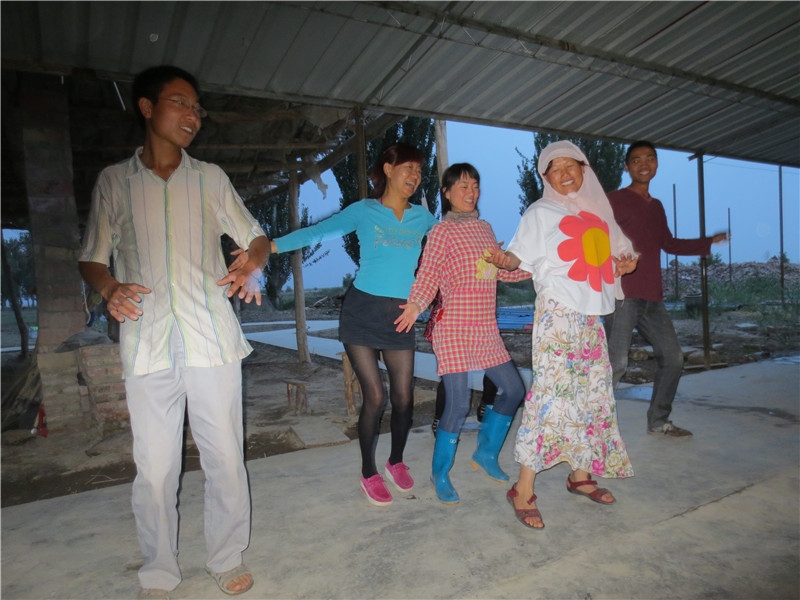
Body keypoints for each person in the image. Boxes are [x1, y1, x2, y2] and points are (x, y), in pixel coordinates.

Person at [78, 65, 269, 599]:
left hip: (212, 338)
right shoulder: (114, 182)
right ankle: (159, 570)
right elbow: (92, 256)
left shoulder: (210, 178)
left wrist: (252, 263)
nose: (192, 116)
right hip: (147, 342)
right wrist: (109, 286)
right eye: (180, 103)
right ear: (147, 107)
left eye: (197, 108)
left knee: (225, 457)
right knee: (156, 468)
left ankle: (225, 556)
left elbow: (256, 237)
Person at [270, 143, 437, 507]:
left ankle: (395, 461)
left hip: (400, 315)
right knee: (375, 396)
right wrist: (269, 247)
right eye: (407, 168)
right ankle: (368, 471)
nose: (414, 176)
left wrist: (488, 254)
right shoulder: (364, 211)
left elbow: (449, 246)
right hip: (362, 313)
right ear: (388, 169)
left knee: (404, 398)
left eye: (418, 170)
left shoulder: (423, 219)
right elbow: (317, 232)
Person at [486, 141, 638, 528]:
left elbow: (616, 259)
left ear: (584, 170)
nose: (565, 173)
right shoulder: (540, 212)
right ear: (546, 177)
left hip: (590, 319)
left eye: (571, 166)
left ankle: (580, 475)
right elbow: (519, 255)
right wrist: (505, 260)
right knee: (551, 398)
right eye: (555, 169)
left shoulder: (598, 214)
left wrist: (625, 265)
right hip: (557, 315)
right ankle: (522, 490)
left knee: (592, 395)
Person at [395, 163, 529, 504]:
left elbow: (500, 272)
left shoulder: (485, 228)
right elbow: (428, 275)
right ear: (447, 192)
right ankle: (439, 474)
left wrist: (532, 267)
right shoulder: (441, 232)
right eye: (463, 186)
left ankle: (485, 454)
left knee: (514, 389)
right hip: (453, 328)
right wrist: (415, 304)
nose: (471, 192)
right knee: (457, 405)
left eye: (475, 186)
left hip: (485, 328)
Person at [605, 141, 729, 437]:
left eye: (650, 158)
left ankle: (659, 421)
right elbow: (596, 236)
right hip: (622, 294)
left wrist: (708, 242)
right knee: (616, 364)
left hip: (652, 297)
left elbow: (668, 243)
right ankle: (592, 427)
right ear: (627, 166)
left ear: (657, 164)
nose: (644, 164)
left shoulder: (657, 206)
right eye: (636, 160)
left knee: (673, 358)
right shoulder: (613, 200)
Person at [425, 292, 498, 436]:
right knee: (451, 375)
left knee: (495, 365)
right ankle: (439, 419)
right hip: (448, 323)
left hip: (479, 320)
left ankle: (486, 404)